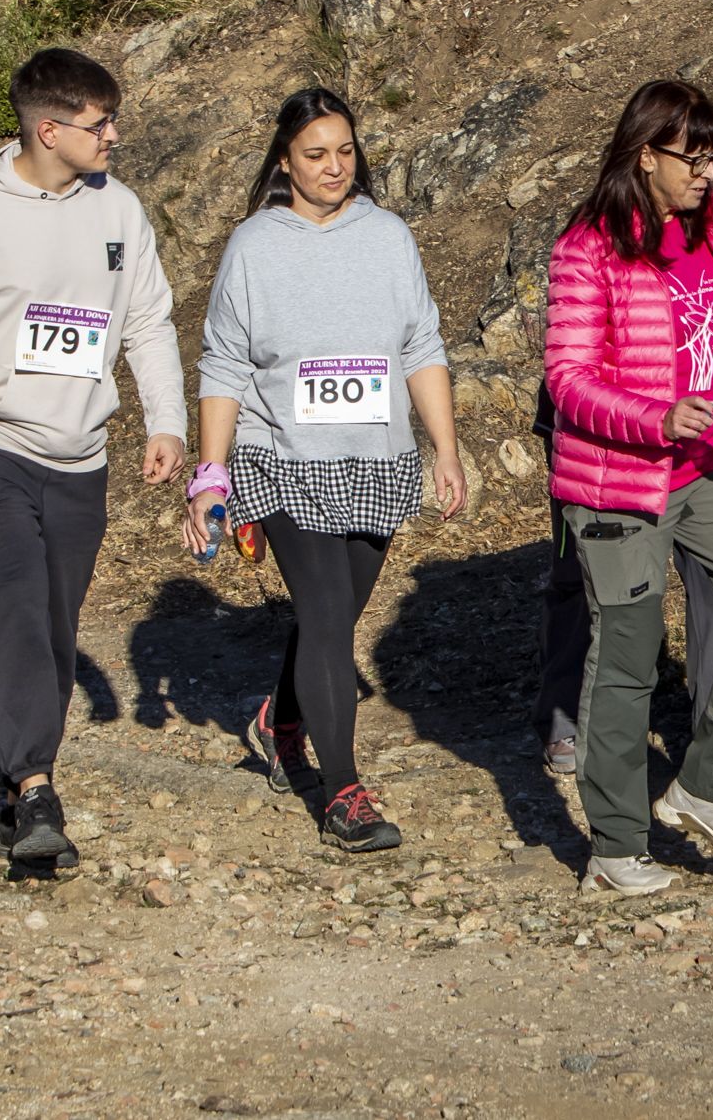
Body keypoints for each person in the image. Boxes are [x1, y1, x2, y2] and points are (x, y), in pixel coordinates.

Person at [0, 48, 185, 868]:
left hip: (78, 452)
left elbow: (148, 323)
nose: (115, 136)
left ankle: (28, 772)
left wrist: (165, 419)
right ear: (49, 130)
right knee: (17, 603)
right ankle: (32, 789)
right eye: (101, 125)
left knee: (56, 623)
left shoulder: (119, 211)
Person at [545, 80, 713, 895]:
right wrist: (657, 418)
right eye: (692, 157)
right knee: (622, 665)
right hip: (621, 480)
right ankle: (618, 850)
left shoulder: (709, 228)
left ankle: (706, 784)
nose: (707, 172)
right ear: (644, 153)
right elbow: (568, 380)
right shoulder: (586, 248)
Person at [186, 88, 465, 854]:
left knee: (330, 617)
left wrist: (444, 447)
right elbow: (225, 363)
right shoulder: (253, 245)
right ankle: (342, 790)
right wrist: (210, 472)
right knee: (329, 616)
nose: (334, 167)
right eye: (315, 154)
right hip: (282, 457)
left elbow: (421, 345)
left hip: (375, 458)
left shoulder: (389, 237)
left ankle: (277, 720)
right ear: (285, 161)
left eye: (345, 151)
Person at [531, 178, 713, 777]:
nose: (703, 176)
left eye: (711, 162)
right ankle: (565, 712)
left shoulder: (710, 215)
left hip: (700, 432)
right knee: (584, 579)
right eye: (691, 160)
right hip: (602, 444)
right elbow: (572, 368)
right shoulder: (596, 234)